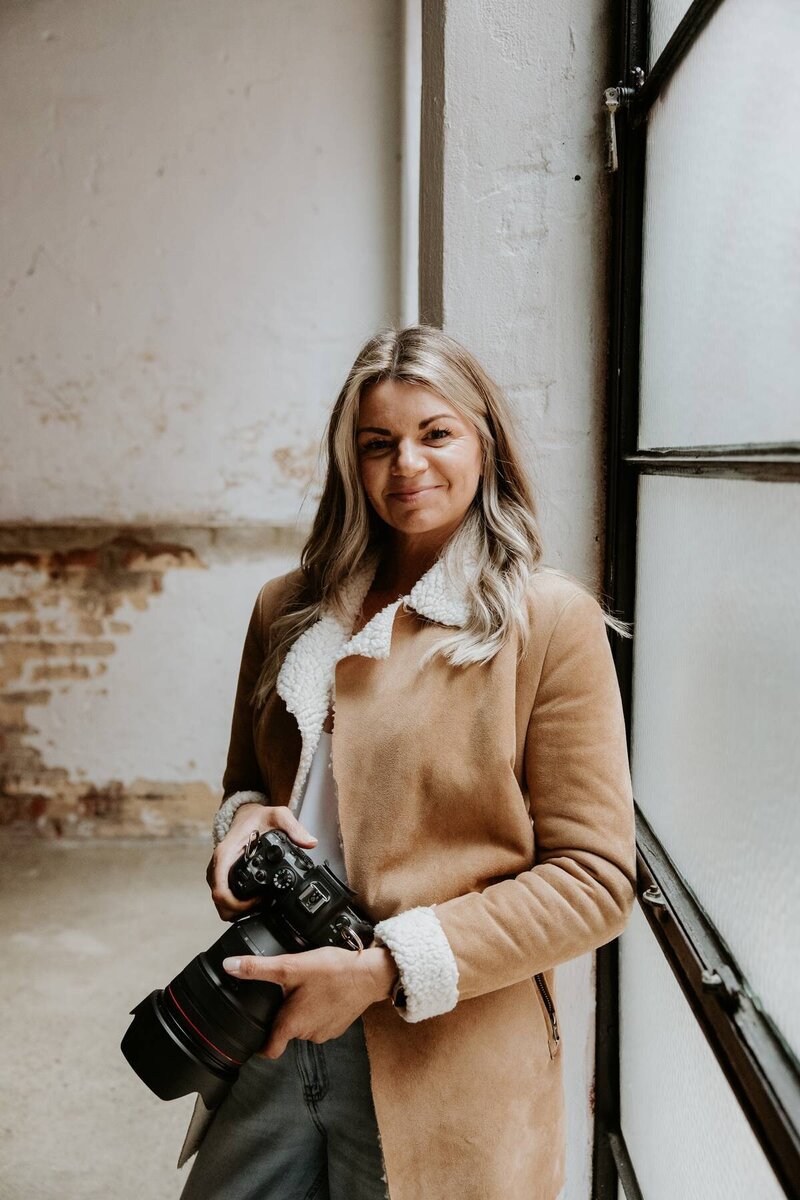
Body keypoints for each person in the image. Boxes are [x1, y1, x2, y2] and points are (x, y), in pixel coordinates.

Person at [177, 324, 637, 1200]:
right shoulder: (287, 608)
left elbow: (594, 880)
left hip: (444, 1055)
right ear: (350, 460)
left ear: (484, 440)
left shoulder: (545, 623)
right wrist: (238, 830)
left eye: (436, 434)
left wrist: (384, 968)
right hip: (273, 1022)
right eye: (377, 444)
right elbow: (250, 784)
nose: (406, 467)